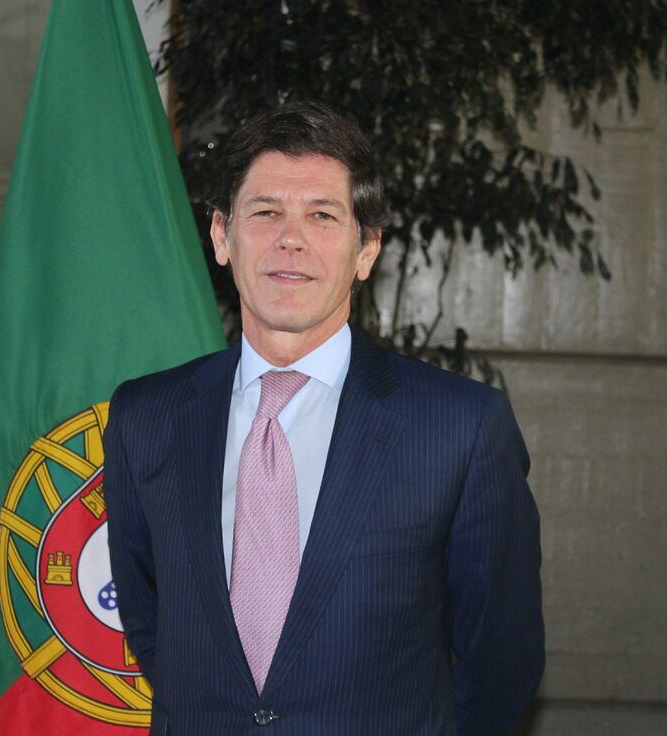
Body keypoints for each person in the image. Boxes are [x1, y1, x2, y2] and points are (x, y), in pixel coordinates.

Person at [104, 101, 543, 735]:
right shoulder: (146, 418)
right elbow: (152, 626)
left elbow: (501, 660)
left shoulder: (459, 429)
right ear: (222, 236)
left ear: (367, 250)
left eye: (322, 215)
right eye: (265, 212)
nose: (291, 238)